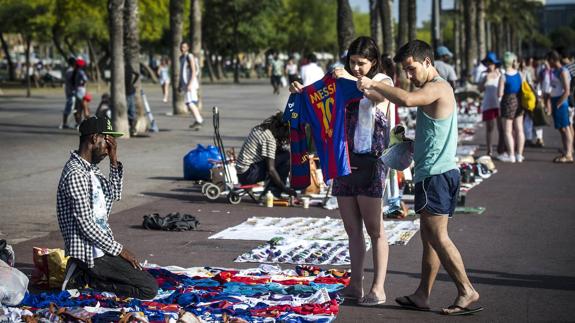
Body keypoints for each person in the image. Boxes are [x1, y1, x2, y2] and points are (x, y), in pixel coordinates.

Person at [358, 40, 482, 315]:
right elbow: (434, 130)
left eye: (411, 69)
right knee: (429, 237)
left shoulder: (436, 86)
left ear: (427, 62)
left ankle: (466, 289)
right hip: (436, 172)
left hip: (437, 175)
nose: (409, 76)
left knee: (437, 236)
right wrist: (410, 143)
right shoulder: (436, 88)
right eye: (406, 70)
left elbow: (407, 100)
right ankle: (422, 294)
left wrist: (373, 83)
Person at [292, 36, 392, 306]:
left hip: (372, 161)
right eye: (353, 62)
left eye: (362, 63)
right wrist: (303, 92)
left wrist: (346, 75)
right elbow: (317, 98)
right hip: (344, 161)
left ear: (374, 62)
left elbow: (373, 94)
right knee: (352, 229)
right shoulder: (342, 82)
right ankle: (355, 285)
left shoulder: (384, 81)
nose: (357, 67)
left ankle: (378, 287)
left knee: (375, 229)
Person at [56, 116, 158, 299]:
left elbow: (114, 195)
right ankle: (90, 278)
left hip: (102, 246)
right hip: (90, 251)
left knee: (141, 278)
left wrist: (113, 160)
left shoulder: (91, 169)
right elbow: (86, 225)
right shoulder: (76, 174)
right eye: (107, 142)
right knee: (148, 289)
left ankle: (84, 272)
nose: (109, 148)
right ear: (95, 138)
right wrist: (120, 250)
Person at [235, 112, 295, 197]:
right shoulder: (269, 138)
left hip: (242, 173)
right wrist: (284, 188)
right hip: (249, 175)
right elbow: (271, 169)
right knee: (286, 157)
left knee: (282, 154)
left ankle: (272, 189)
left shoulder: (261, 129)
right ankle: (274, 191)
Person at [497, 52, 525, 163]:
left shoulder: (503, 76)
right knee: (519, 129)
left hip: (507, 102)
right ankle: (520, 154)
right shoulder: (520, 74)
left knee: (508, 131)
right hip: (518, 101)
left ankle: (511, 155)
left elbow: (499, 93)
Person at [546, 50, 573, 163]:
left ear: (553, 59)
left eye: (549, 60)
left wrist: (558, 104)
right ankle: (566, 151)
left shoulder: (563, 71)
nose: (548, 62)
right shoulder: (556, 71)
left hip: (561, 102)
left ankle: (569, 154)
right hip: (556, 101)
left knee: (566, 128)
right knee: (562, 129)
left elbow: (567, 91)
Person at [478, 52, 503, 157]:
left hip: (499, 104)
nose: (489, 65)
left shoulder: (501, 74)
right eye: (487, 63)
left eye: (491, 63)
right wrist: (485, 79)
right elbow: (480, 89)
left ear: (495, 64)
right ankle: (489, 150)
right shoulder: (483, 75)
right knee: (489, 128)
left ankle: (501, 148)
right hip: (488, 104)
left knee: (501, 127)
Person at [179, 41, 203, 130]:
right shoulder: (181, 58)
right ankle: (198, 120)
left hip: (191, 84)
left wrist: (190, 84)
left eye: (184, 47)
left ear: (188, 48)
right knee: (189, 103)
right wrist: (180, 84)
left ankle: (199, 120)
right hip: (185, 84)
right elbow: (182, 72)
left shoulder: (190, 56)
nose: (182, 49)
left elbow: (193, 71)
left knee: (190, 103)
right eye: (181, 47)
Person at [73, 58, 91, 127]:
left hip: (77, 91)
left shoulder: (75, 71)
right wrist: (84, 83)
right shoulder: (81, 71)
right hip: (81, 90)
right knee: (85, 107)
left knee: (78, 108)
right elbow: (85, 79)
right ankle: (88, 124)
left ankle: (78, 123)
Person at [60, 57, 76, 129]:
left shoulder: (69, 71)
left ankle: (76, 122)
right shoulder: (70, 71)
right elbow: (72, 82)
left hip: (70, 92)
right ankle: (64, 123)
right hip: (71, 92)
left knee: (75, 108)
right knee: (69, 108)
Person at [125, 64, 140, 136]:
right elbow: (137, 74)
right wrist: (133, 82)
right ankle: (132, 128)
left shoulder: (124, 67)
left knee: (129, 110)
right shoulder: (129, 67)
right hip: (130, 91)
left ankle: (132, 128)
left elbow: (137, 74)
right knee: (132, 111)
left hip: (128, 92)